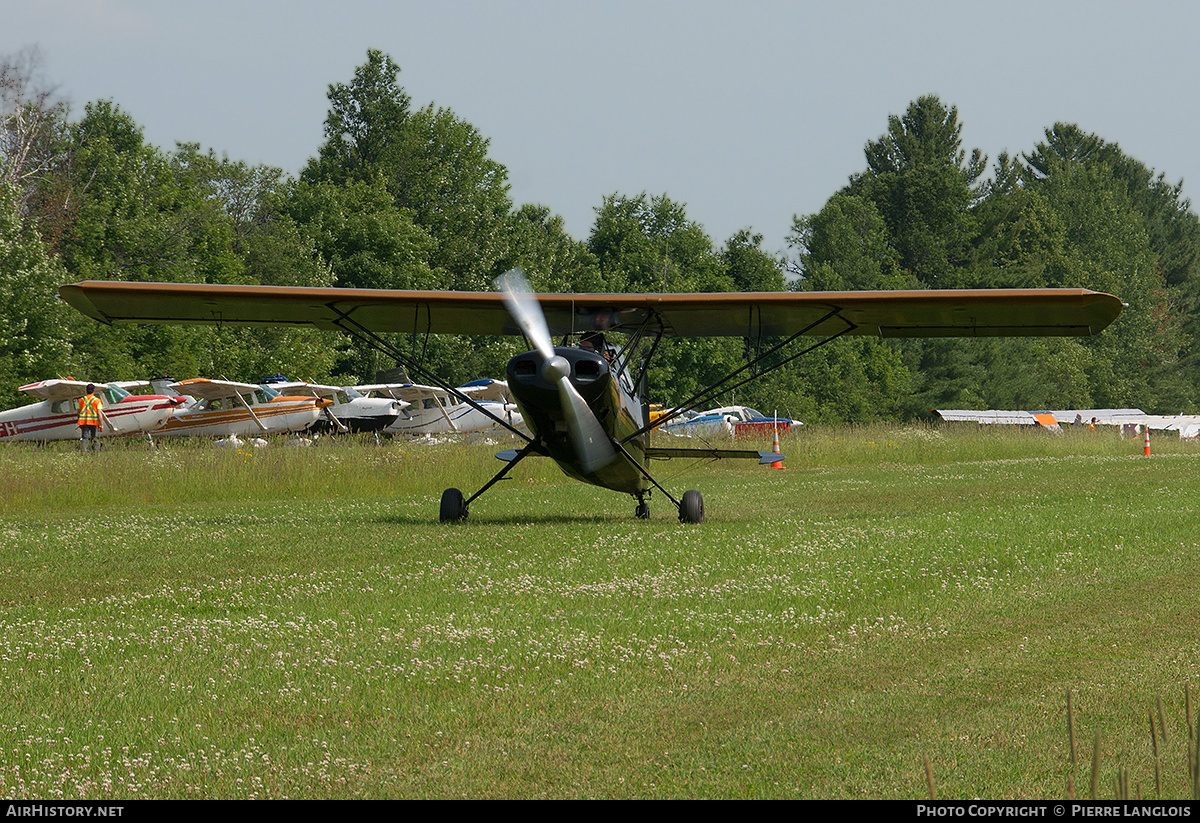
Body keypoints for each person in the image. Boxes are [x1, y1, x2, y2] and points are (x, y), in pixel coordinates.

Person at [77, 383, 105, 452]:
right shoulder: (97, 401)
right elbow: (99, 413)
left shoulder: (81, 400)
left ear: (86, 390)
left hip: (84, 422)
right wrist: (101, 424)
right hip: (94, 422)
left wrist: (79, 420)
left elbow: (78, 412)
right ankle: (95, 453)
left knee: (84, 438)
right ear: (93, 391)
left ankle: (84, 452)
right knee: (94, 438)